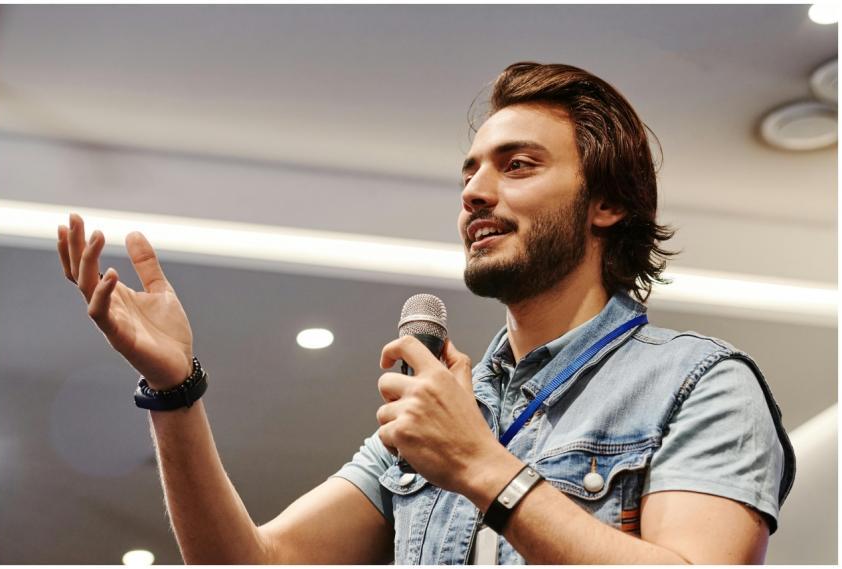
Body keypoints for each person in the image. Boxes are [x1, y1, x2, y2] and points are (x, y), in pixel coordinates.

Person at [57, 62, 794, 564]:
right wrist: (175, 391)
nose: (474, 190)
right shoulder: (444, 411)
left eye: (518, 164)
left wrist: (481, 466)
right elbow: (253, 560)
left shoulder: (699, 383)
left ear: (607, 203)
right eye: (470, 170)